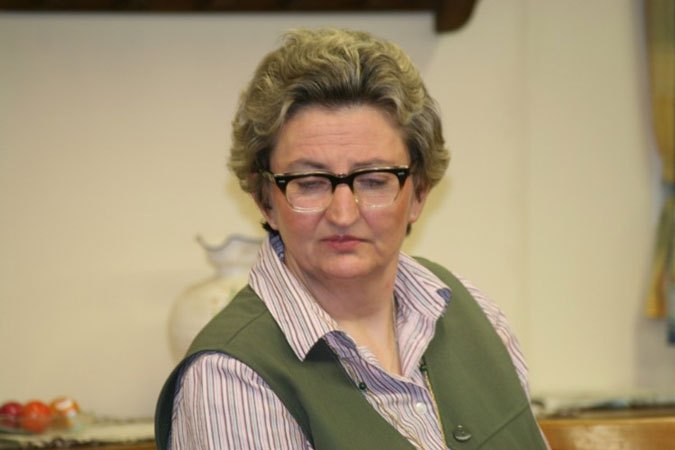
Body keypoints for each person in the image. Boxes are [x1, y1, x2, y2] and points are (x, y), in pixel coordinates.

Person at [155, 27, 550, 450]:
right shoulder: (231, 380)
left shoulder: (479, 316)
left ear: (418, 193)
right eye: (310, 183)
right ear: (265, 199)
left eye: (374, 180)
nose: (343, 214)